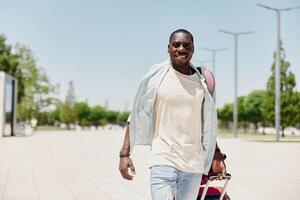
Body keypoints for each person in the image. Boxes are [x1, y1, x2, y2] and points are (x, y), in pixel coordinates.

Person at [119, 29, 226, 200]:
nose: (181, 49)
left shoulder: (202, 81)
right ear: (168, 48)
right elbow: (137, 114)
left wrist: (216, 153)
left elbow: (206, 122)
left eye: (186, 45)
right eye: (176, 45)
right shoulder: (156, 77)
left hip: (193, 164)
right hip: (163, 159)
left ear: (193, 49)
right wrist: (124, 155)